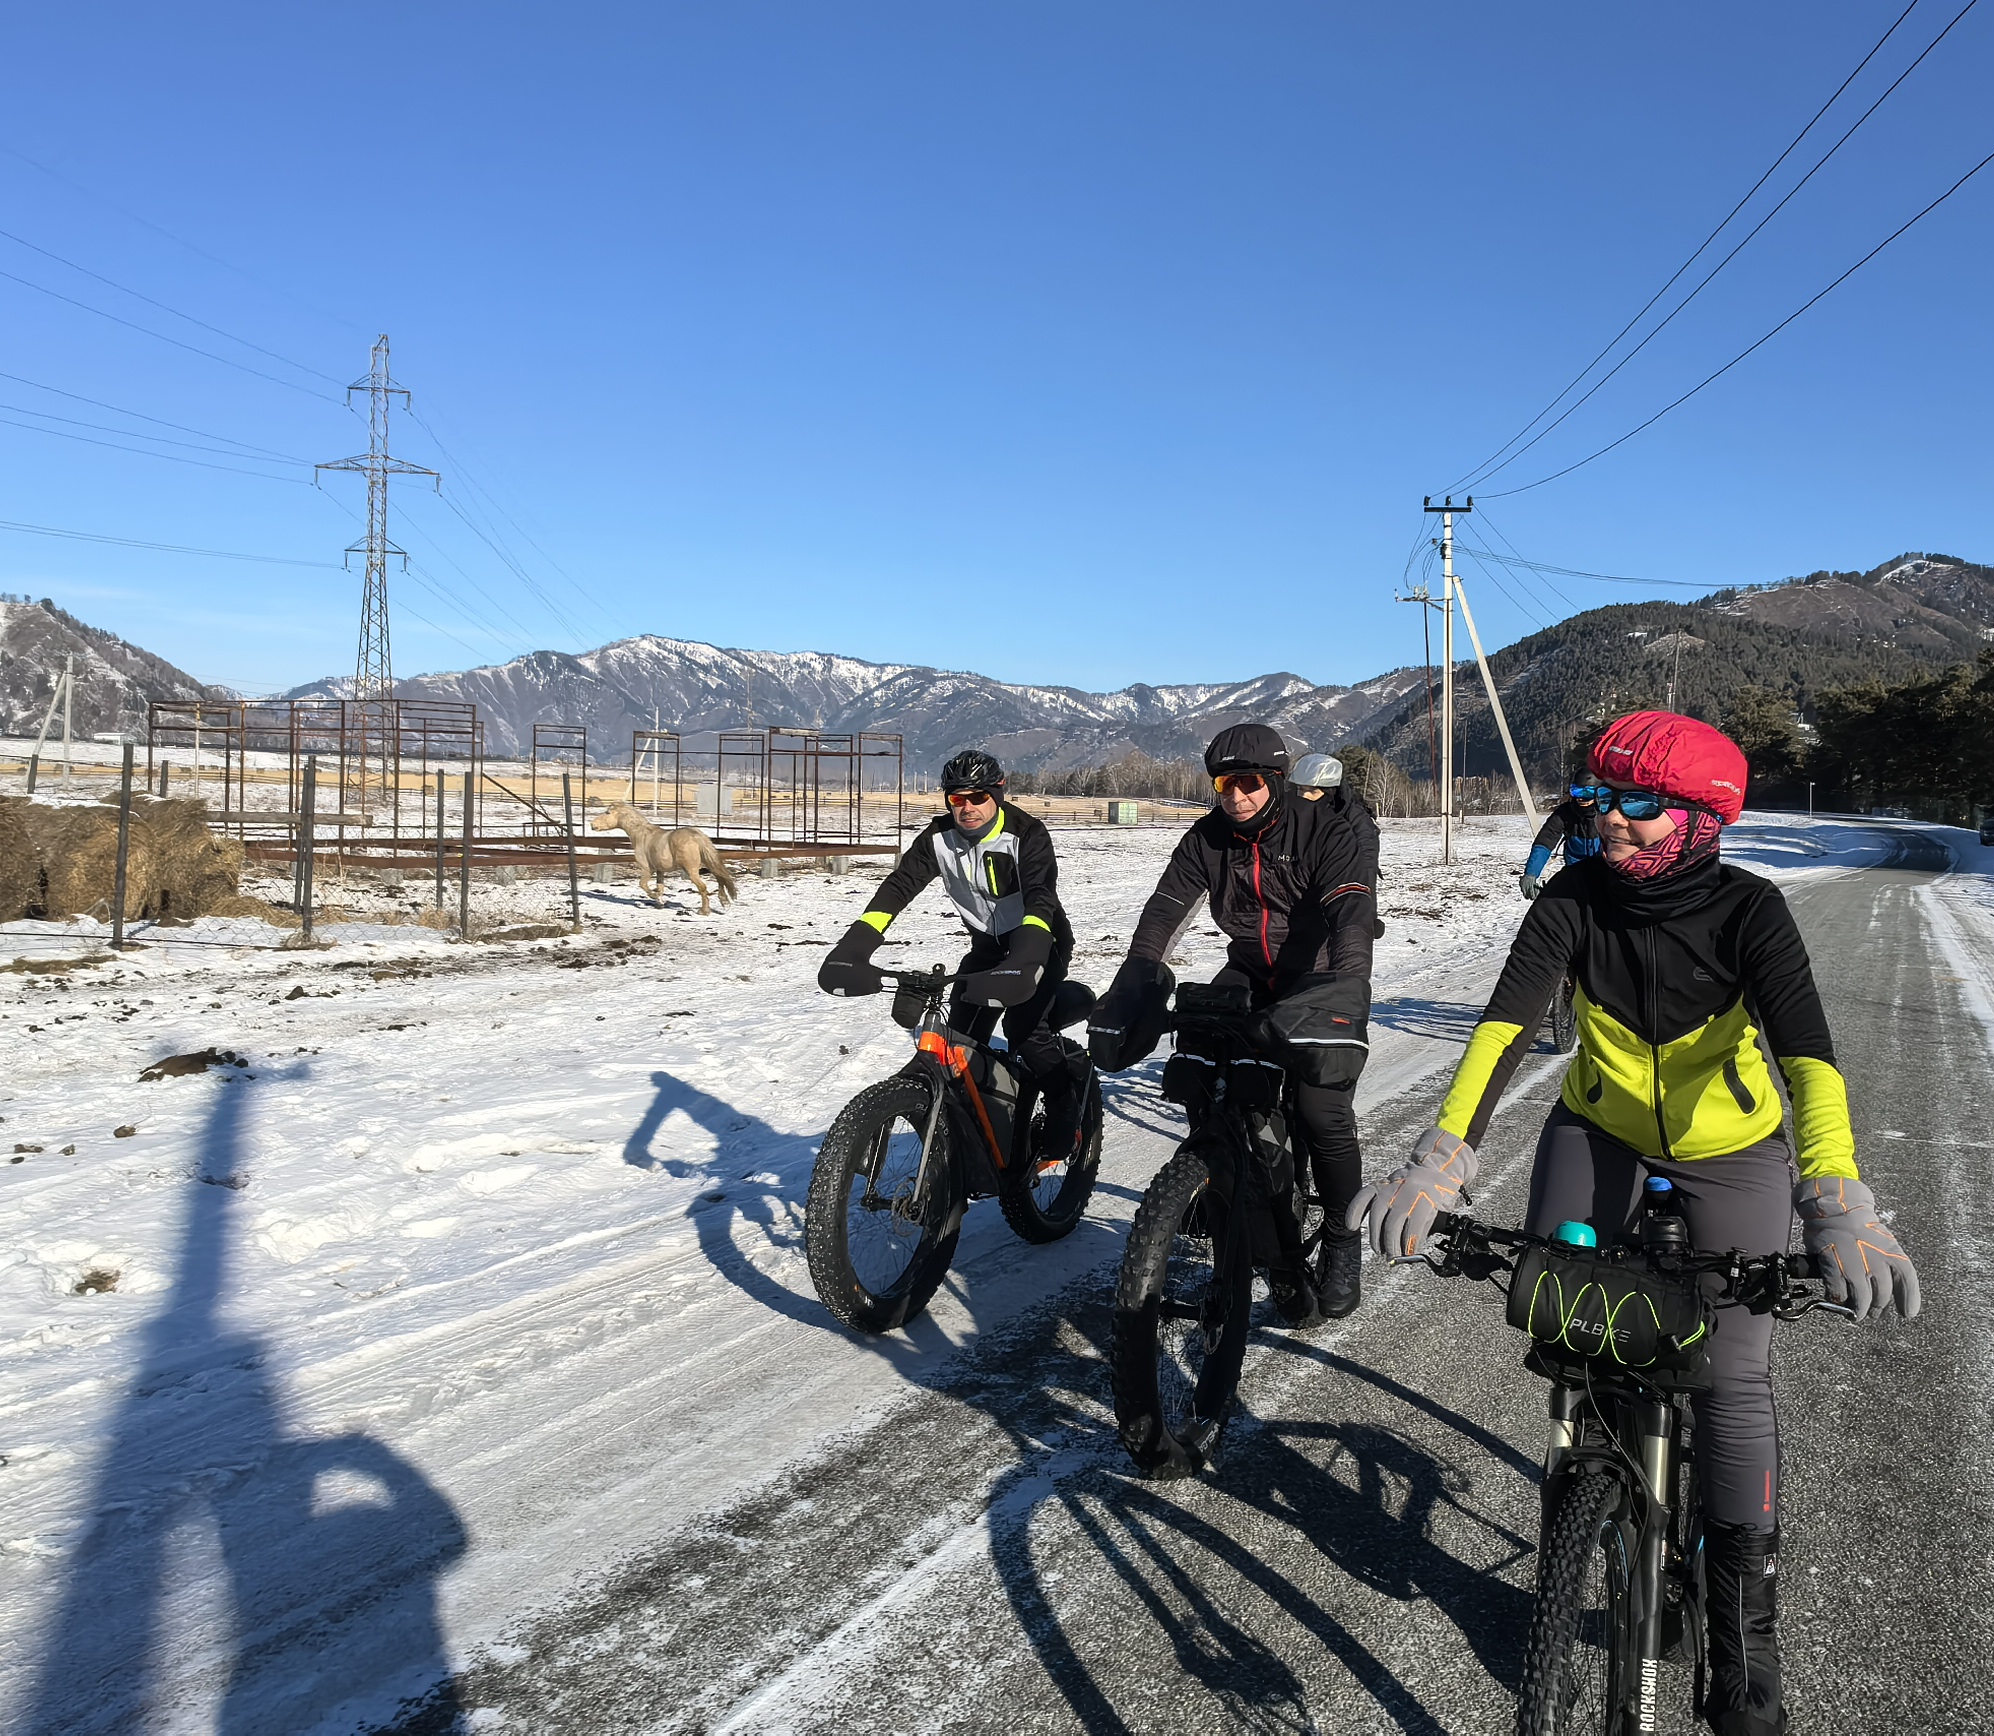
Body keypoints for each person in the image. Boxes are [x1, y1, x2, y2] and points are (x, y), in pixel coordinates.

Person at [1350, 709, 1922, 1736]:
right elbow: (1502, 1028)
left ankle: (1744, 1632)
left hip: (1729, 1150)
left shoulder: (1750, 913)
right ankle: (1583, 1516)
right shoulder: (1571, 898)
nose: (1608, 819)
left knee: (1733, 1372)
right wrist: (1442, 1154)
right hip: (1597, 1131)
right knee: (1561, 1316)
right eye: (1597, 796)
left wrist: (1832, 1195)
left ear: (1702, 820)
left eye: (1637, 803)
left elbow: (1808, 1059)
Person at [1091, 722, 1380, 1319]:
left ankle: (1342, 1240)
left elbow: (1351, 908)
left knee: (1320, 1109)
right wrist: (1137, 978)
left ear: (1274, 781)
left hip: (1318, 972)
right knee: (1201, 1068)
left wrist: (1350, 985)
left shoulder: (1322, 829)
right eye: (1224, 784)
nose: (1235, 796)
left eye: (1248, 783)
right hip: (1248, 968)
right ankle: (1220, 1178)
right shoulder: (1207, 838)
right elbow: (1166, 909)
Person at [819, 751, 1087, 1151]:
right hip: (986, 947)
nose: (967, 807)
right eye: (957, 798)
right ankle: (982, 1127)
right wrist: (856, 944)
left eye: (977, 797)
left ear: (998, 793)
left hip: (1039, 940)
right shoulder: (937, 838)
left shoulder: (1026, 833)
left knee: (1024, 1033)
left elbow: (1040, 897)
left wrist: (1027, 957)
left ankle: (1066, 1103)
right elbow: (899, 888)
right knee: (958, 1044)